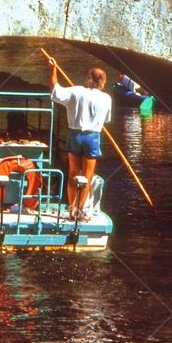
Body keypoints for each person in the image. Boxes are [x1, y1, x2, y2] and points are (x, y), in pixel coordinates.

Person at [48, 58, 112, 221]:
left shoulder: (76, 91)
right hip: (93, 137)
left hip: (75, 135)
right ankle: (80, 210)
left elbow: (55, 91)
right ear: (102, 82)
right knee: (87, 177)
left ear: (88, 79)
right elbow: (106, 120)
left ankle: (72, 208)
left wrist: (53, 70)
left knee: (73, 174)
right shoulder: (107, 98)